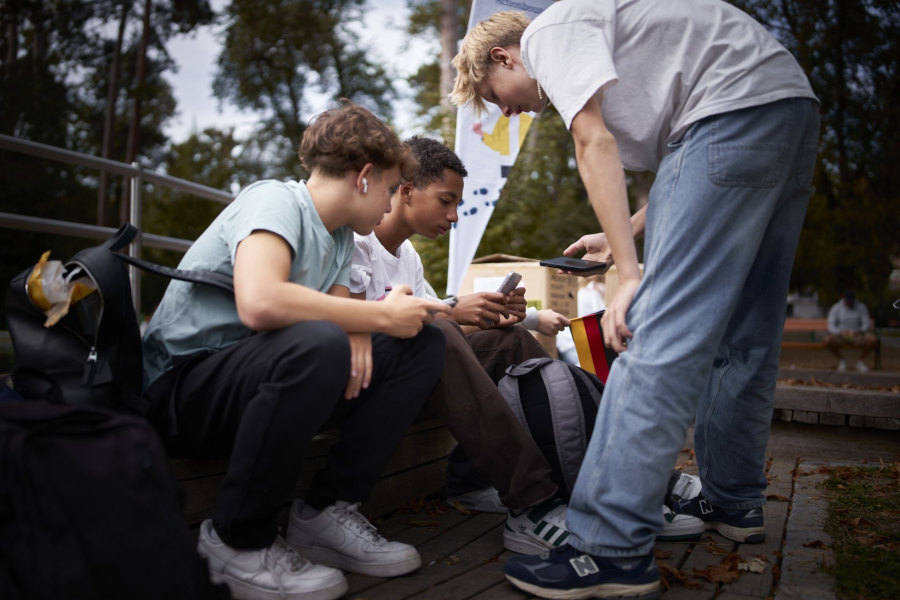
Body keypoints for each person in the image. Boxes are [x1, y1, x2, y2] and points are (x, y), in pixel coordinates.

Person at [450, 1, 820, 597]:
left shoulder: (548, 31)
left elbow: (594, 141)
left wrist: (628, 276)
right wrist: (626, 233)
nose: (512, 111)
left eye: (500, 96)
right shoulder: (618, 37)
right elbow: (701, 172)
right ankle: (735, 503)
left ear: (504, 56)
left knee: (652, 337)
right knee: (746, 338)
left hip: (728, 115)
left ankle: (610, 547)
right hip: (786, 112)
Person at [141, 101, 451, 600]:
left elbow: (338, 309)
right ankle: (235, 539)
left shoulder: (341, 237)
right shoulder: (276, 201)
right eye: (392, 190)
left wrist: (368, 327)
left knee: (419, 344)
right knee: (320, 341)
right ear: (365, 177)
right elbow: (260, 302)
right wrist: (373, 318)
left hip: (256, 389)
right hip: (182, 390)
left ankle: (327, 511)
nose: (392, 205)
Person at [349, 135, 704, 554]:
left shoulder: (408, 257)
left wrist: (489, 315)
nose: (454, 216)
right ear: (406, 191)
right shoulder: (354, 242)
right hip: (365, 385)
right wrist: (451, 311)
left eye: (457, 204)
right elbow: (375, 329)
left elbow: (440, 335)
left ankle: (621, 480)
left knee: (509, 341)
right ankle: (533, 501)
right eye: (446, 201)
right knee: (441, 332)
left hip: (414, 373)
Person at [824, 290, 878, 372]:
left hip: (857, 334)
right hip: (841, 334)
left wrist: (859, 331)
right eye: (847, 301)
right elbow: (830, 324)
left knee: (873, 340)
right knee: (827, 340)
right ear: (843, 299)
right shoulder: (837, 307)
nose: (849, 303)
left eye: (851, 301)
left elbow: (866, 323)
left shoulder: (861, 307)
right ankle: (842, 360)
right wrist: (840, 332)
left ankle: (860, 361)